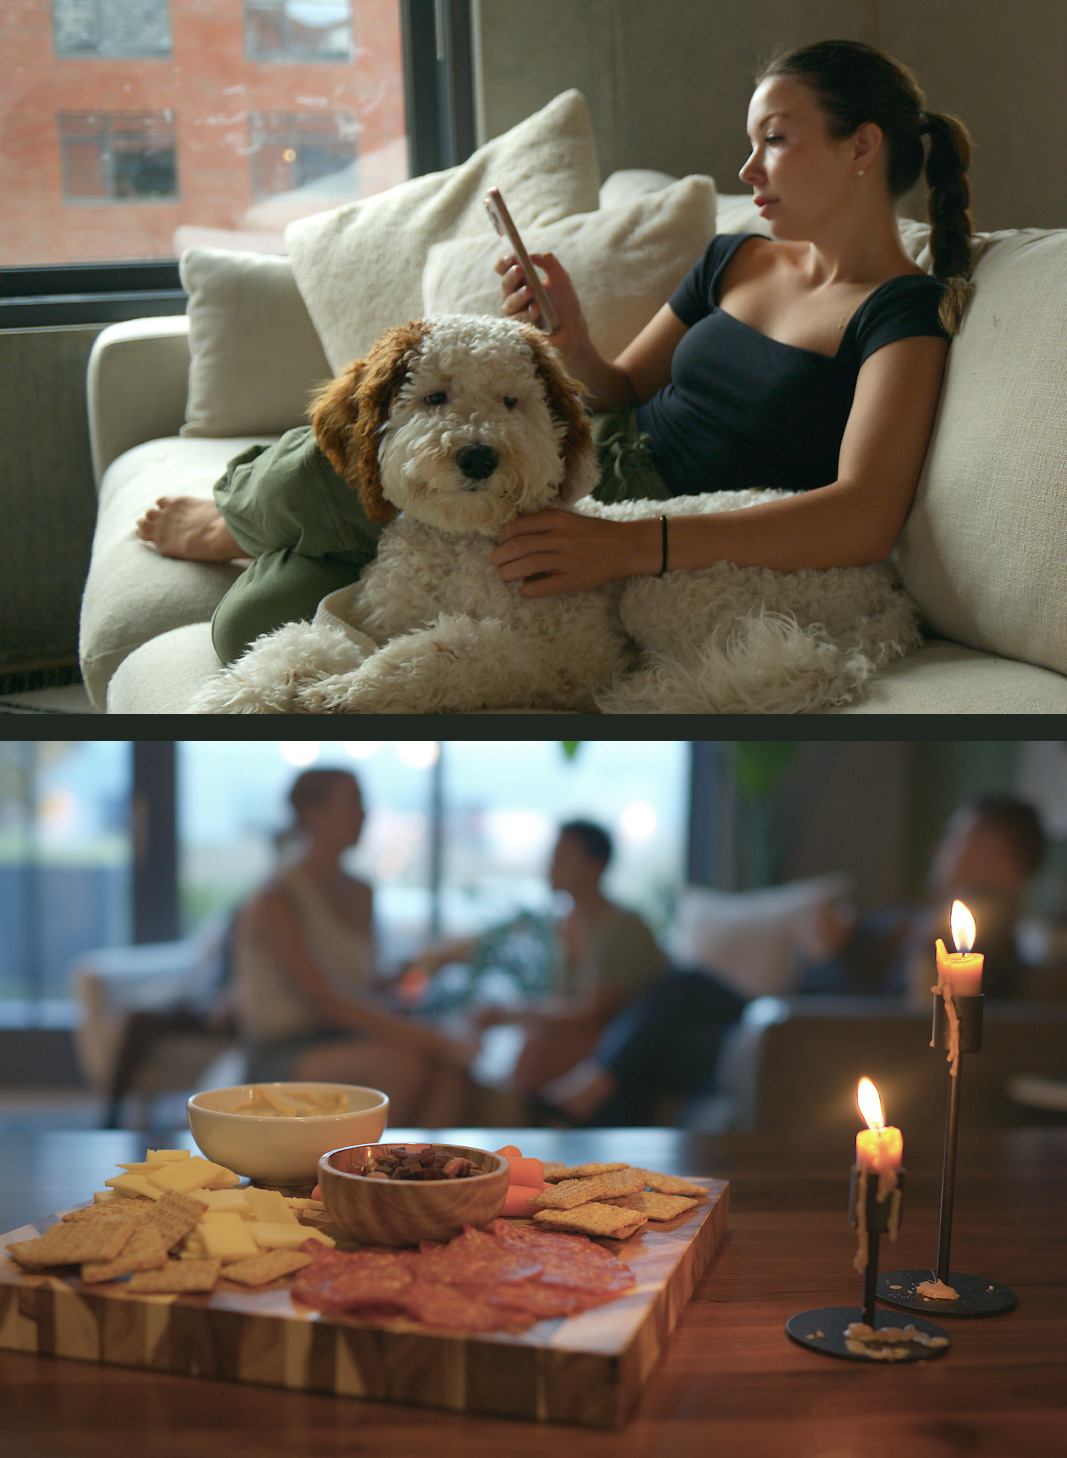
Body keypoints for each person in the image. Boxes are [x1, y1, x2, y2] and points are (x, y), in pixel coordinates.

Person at [134, 39, 973, 665]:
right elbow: (617, 386)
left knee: (247, 625)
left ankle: (252, 527)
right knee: (321, 467)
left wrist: (630, 546)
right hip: (569, 453)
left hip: (629, 517)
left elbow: (864, 515)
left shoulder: (900, 313)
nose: (748, 167)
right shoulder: (736, 256)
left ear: (861, 147)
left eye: (775, 140)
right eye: (751, 143)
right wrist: (568, 337)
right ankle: (232, 516)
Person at [233, 767, 474, 1125]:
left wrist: (423, 965)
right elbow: (326, 1000)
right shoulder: (277, 899)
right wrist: (431, 1037)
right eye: (353, 803)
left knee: (449, 1072)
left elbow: (364, 987)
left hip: (345, 1037)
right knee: (405, 1064)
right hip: (285, 1049)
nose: (364, 814)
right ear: (312, 814)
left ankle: (427, 1176)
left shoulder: (361, 892)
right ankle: (367, 1172)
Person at [410, 819, 669, 1094]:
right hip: (578, 1041)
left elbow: (596, 1011)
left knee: (541, 1042)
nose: (550, 867)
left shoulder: (622, 928)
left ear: (595, 866)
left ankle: (522, 1116)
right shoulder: (564, 925)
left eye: (562, 857)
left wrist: (510, 1014)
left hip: (621, 1053)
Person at [797, 796, 1049, 1001]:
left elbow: (903, 1023)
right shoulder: (932, 920)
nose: (937, 850)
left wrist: (832, 955)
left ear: (995, 854)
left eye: (955, 839)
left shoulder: (972, 942)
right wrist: (846, 936)